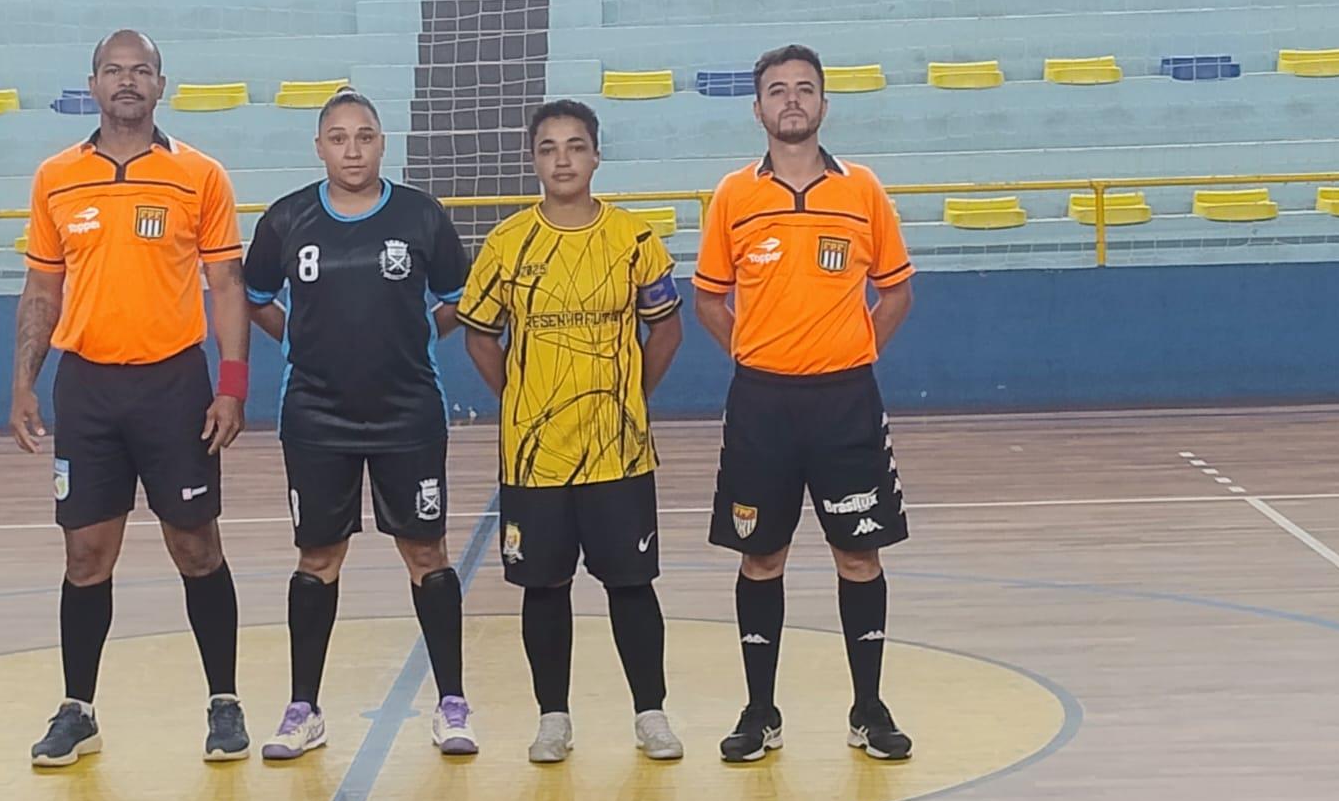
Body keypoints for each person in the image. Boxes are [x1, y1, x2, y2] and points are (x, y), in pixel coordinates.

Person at [11, 29, 251, 767]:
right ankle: (77, 709)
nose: (126, 82)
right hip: (86, 387)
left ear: (160, 84)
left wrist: (232, 384)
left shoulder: (199, 176)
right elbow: (43, 286)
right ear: (93, 85)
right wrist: (24, 378)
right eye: (114, 71)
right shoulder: (56, 177)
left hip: (173, 385)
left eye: (140, 70)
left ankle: (224, 701)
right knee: (87, 554)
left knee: (195, 545)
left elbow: (227, 285)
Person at [692, 43, 916, 764]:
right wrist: (753, 351)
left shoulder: (863, 190)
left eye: (805, 89)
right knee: (762, 558)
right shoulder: (732, 195)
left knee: (859, 555)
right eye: (778, 91)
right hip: (761, 404)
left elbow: (897, 289)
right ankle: (760, 712)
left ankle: (868, 708)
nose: (792, 100)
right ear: (757, 109)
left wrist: (855, 349)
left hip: (845, 402)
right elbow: (707, 297)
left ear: (823, 104)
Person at [243, 88, 478, 759]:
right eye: (339, 137)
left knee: (426, 553)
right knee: (317, 556)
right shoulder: (287, 220)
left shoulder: (420, 216)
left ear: (383, 143)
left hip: (408, 412)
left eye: (365, 136)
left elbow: (458, 299)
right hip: (316, 415)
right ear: (319, 147)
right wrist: (301, 342)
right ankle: (303, 709)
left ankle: (453, 704)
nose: (352, 149)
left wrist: (416, 338)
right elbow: (257, 298)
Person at [458, 99, 686, 763]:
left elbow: (666, 328)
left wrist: (630, 397)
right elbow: (479, 334)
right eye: (549, 147)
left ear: (595, 157)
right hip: (537, 458)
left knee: (631, 584)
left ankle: (651, 713)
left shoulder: (636, 240)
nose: (563, 158)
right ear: (534, 160)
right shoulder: (506, 243)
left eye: (576, 146)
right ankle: (552, 717)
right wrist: (521, 399)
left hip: (619, 451)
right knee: (544, 586)